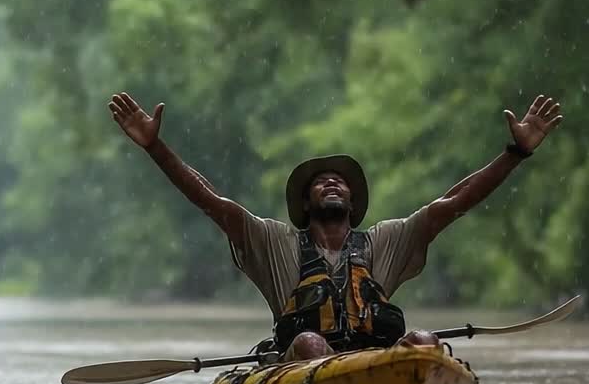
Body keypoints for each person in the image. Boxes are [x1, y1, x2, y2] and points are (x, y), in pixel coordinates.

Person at [107, 91, 563, 362]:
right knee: (307, 341)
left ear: (352, 200)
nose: (331, 182)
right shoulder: (274, 242)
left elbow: (455, 201)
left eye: (339, 181)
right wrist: (155, 147)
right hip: (301, 362)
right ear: (305, 203)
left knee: (424, 341)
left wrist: (515, 153)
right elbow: (207, 198)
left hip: (372, 362)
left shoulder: (386, 242)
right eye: (321, 182)